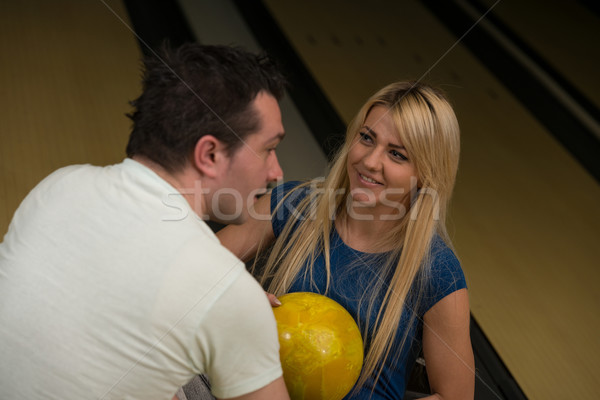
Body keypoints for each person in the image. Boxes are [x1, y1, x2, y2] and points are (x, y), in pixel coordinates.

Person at [0, 44, 290, 400]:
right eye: (268, 148)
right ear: (210, 154)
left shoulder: (60, 185)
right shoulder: (226, 290)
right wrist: (235, 314)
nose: (277, 172)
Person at [218, 81, 475, 399]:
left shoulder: (437, 270)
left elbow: (456, 397)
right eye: (367, 138)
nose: (369, 161)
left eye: (396, 154)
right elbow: (194, 266)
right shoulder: (295, 203)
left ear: (426, 174)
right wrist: (237, 297)